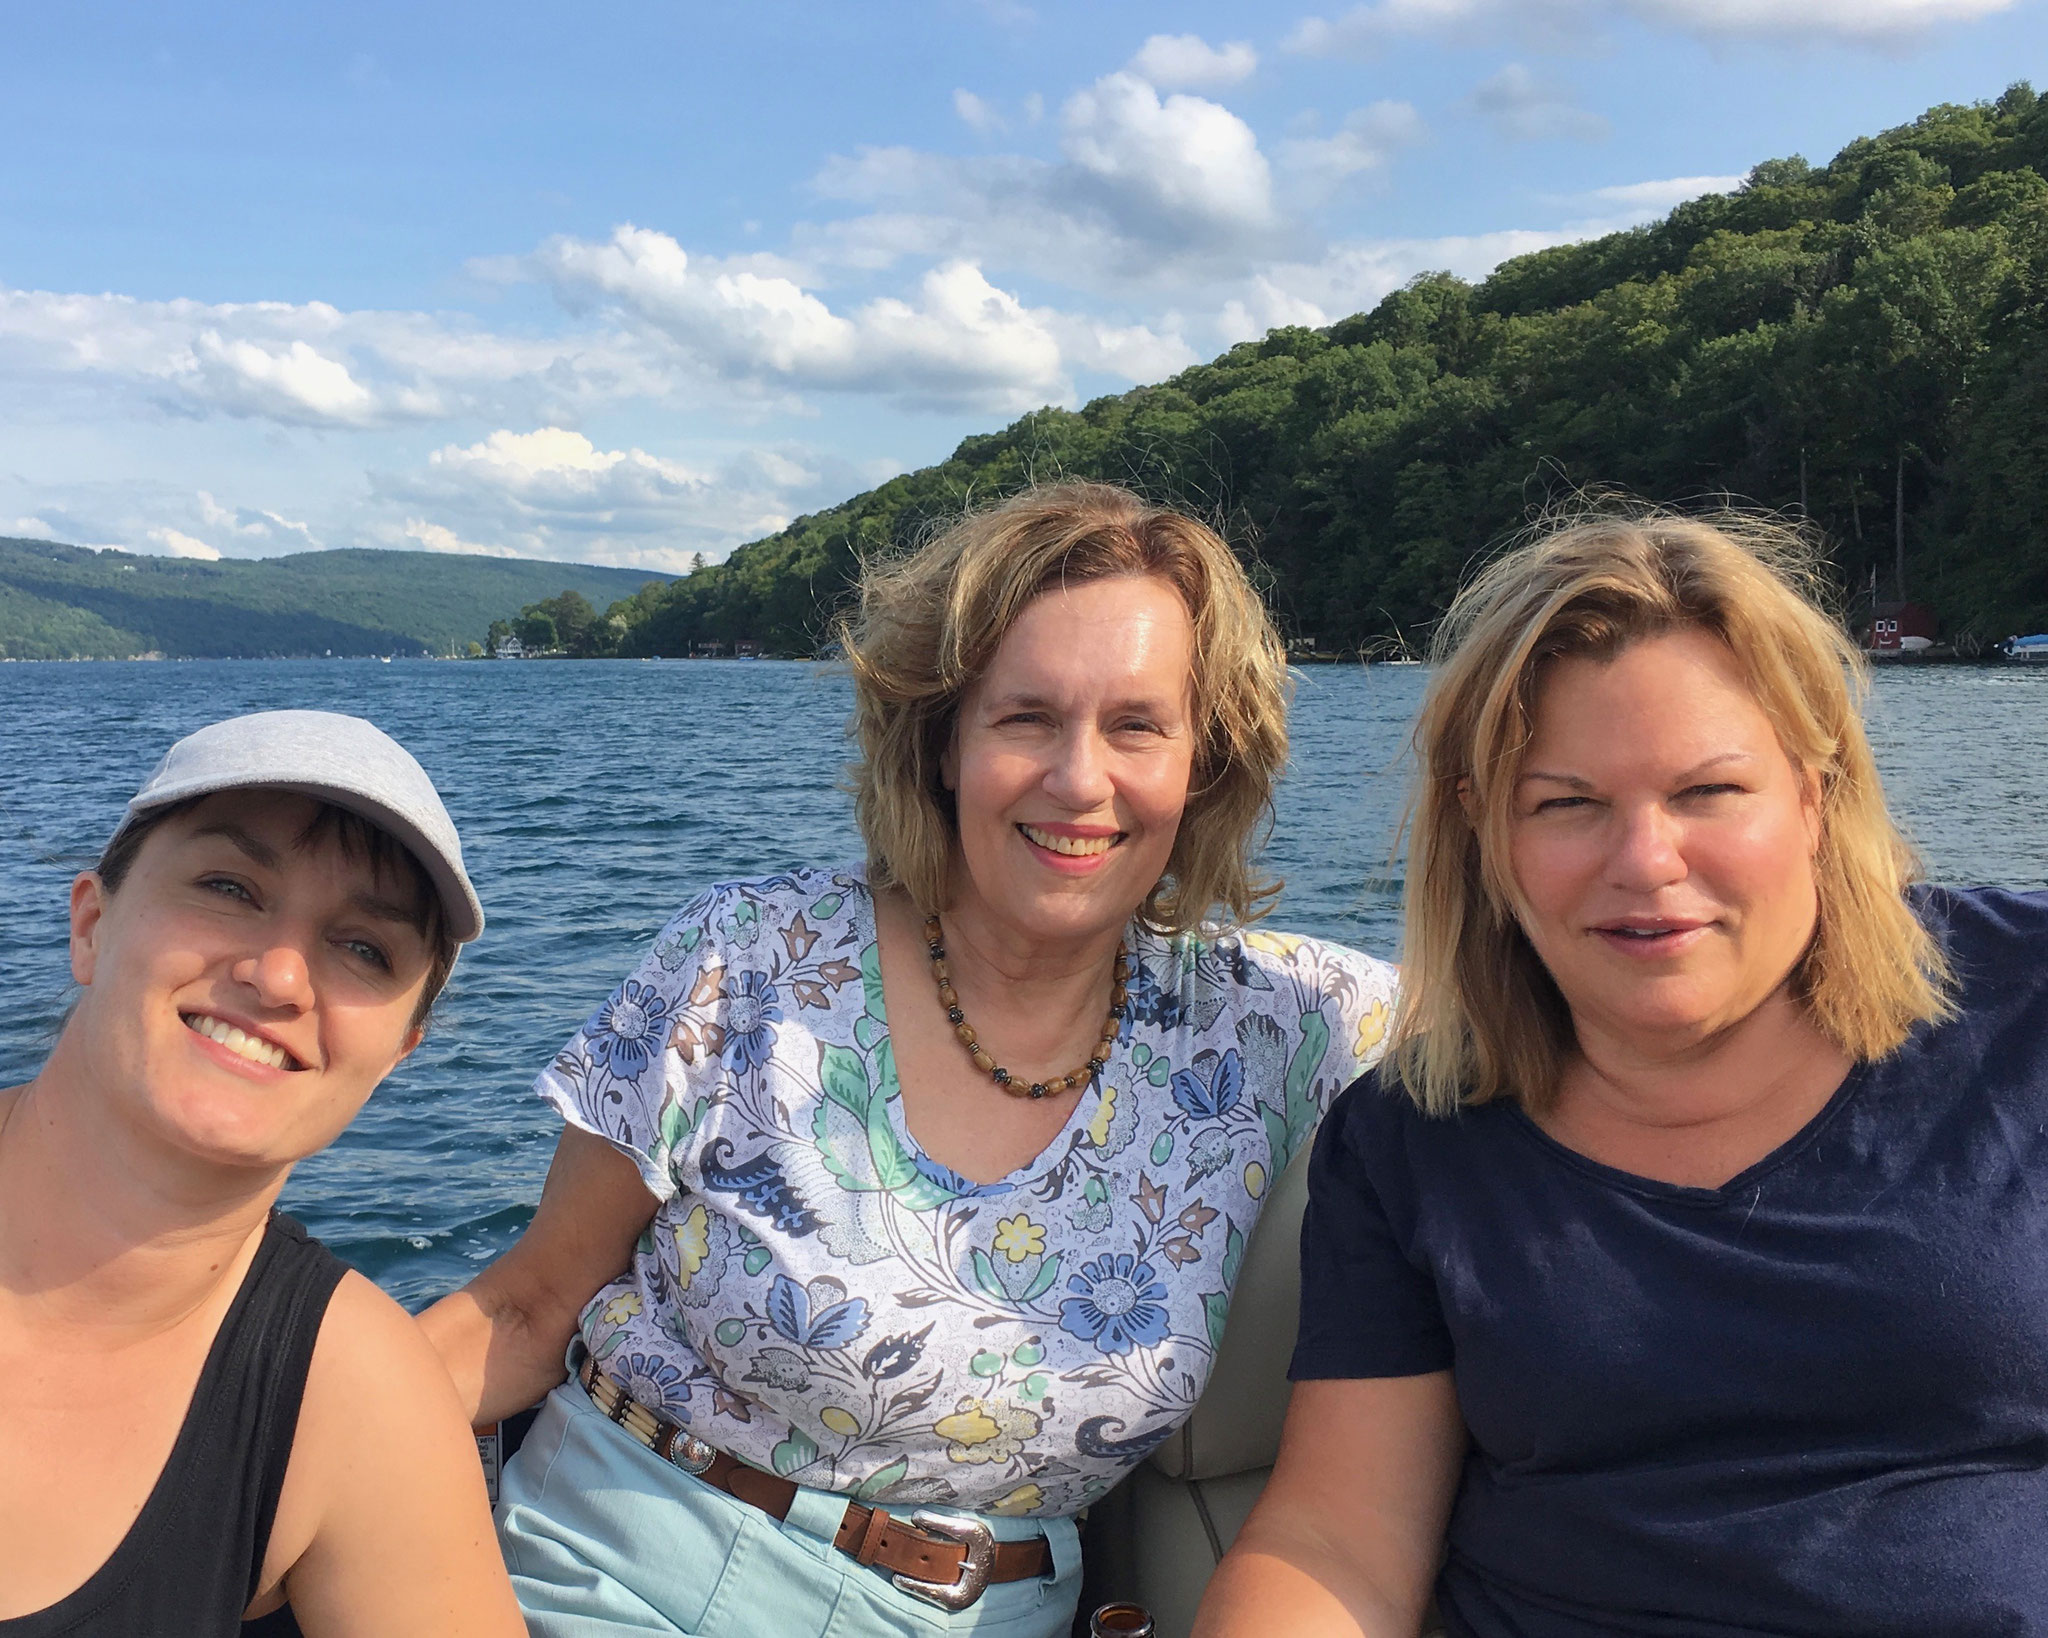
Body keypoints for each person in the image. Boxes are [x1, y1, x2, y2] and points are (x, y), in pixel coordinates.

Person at [420, 482, 1400, 1637]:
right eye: (1025, 717)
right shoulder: (750, 961)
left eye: (1136, 725)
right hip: (625, 1570)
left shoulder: (1280, 1022)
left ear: (1206, 761)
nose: (1079, 780)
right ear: (940, 741)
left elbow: (1573, 1012)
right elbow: (529, 1306)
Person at [1194, 509, 2048, 1638]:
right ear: (1483, 831)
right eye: (1565, 804)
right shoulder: (1414, 1138)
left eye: (1707, 793)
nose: (1644, 862)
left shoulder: (2022, 1010)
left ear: (1813, 790)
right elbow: (1337, 1543)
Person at [0, 710, 524, 1638]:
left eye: (365, 948)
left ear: (399, 1052)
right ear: (90, 924)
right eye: (229, 886)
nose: (281, 977)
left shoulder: (356, 1401)